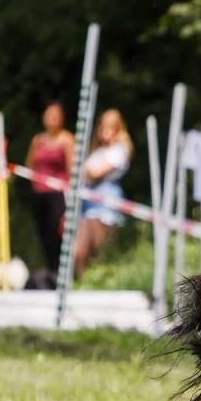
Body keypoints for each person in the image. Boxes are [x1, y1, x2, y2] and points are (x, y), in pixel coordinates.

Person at [71, 108, 133, 280]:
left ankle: (99, 281)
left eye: (111, 127)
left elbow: (95, 173)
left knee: (99, 250)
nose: (106, 131)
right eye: (104, 126)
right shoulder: (98, 151)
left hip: (104, 204)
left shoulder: (119, 150)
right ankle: (84, 282)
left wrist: (83, 170)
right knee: (81, 251)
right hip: (87, 205)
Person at [25, 102, 74, 279]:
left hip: (58, 194)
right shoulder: (38, 140)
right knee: (44, 233)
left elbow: (71, 169)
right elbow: (29, 164)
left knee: (57, 232)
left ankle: (62, 271)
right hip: (39, 194)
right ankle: (51, 270)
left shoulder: (67, 139)